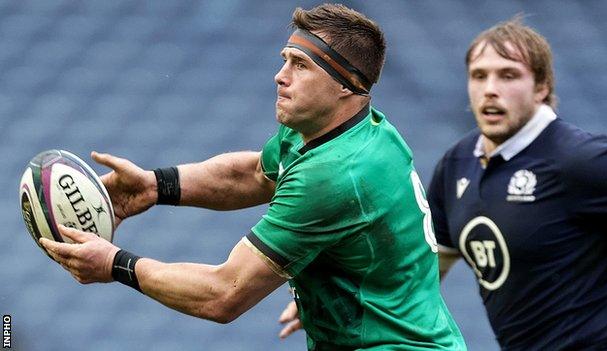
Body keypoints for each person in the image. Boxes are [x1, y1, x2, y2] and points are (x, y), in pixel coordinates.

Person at [40, 4, 466, 350]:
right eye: (285, 60)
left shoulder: (335, 174)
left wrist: (116, 264)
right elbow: (254, 174)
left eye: (301, 65)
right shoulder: (336, 128)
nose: (280, 76)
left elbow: (223, 294)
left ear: (347, 85)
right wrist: (156, 185)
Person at [427, 17, 607, 350]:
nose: (490, 88)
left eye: (508, 75)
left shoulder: (582, 159)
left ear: (542, 87)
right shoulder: (456, 164)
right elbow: (422, 277)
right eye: (479, 75)